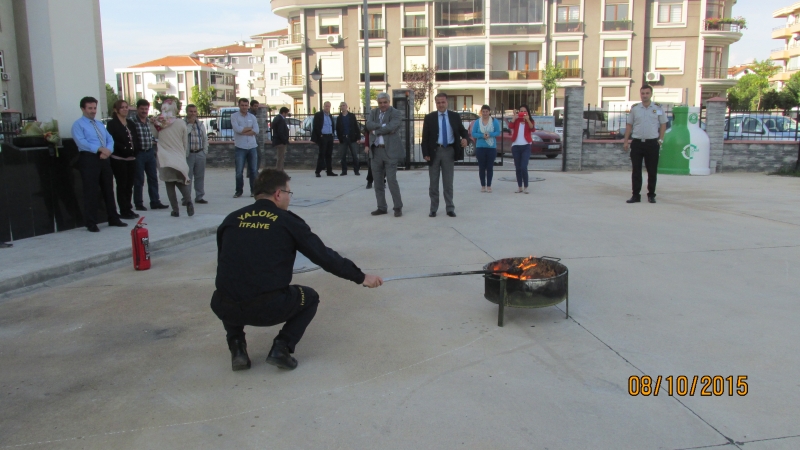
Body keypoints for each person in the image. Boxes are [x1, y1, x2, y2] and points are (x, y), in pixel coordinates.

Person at [210, 169, 383, 371]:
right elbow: (324, 256)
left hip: (225, 306)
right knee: (309, 297)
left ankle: (237, 347)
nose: (289, 198)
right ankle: (281, 347)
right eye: (288, 193)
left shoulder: (231, 219)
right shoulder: (287, 221)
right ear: (278, 194)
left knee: (230, 289)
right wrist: (361, 277)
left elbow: (225, 262)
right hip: (269, 307)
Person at [70, 96, 128, 232]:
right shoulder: (78, 125)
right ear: (82, 109)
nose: (93, 111)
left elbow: (109, 139)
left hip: (104, 158)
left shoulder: (99, 124)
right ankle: (91, 222)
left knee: (108, 188)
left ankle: (113, 217)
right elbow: (81, 142)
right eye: (89, 108)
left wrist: (108, 151)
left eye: (94, 108)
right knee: (91, 191)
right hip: (89, 158)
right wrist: (98, 149)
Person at [421, 93, 469, 217]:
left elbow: (463, 131)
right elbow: (425, 137)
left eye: (443, 102)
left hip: (449, 151)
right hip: (434, 152)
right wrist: (425, 153)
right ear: (435, 103)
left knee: (448, 182)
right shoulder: (430, 117)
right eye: (438, 102)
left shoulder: (454, 116)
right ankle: (433, 208)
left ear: (447, 102)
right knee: (433, 183)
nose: (441, 105)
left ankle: (450, 208)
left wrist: (465, 138)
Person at [623, 85, 667, 204]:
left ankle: (651, 195)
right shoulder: (635, 108)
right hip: (637, 143)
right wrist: (626, 140)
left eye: (647, 93)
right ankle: (635, 195)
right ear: (640, 94)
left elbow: (663, 124)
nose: (645, 95)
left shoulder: (657, 108)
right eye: (643, 93)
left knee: (652, 171)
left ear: (651, 94)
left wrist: (661, 139)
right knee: (636, 171)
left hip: (652, 143)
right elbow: (629, 125)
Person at [366, 92, 404, 217]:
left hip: (390, 152)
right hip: (376, 151)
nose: (383, 105)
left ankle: (397, 207)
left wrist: (375, 130)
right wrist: (382, 126)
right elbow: (368, 125)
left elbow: (392, 127)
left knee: (392, 180)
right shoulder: (373, 112)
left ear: (389, 102)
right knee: (377, 182)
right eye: (380, 103)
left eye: (385, 102)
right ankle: (381, 207)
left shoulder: (396, 113)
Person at [153, 99, 193, 217]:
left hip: (165, 157)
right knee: (182, 181)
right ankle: (188, 201)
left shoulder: (158, 123)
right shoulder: (180, 123)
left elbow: (155, 136)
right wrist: (183, 154)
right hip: (178, 156)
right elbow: (185, 141)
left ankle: (175, 210)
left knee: (169, 184)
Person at [132, 99, 169, 211]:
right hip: (139, 154)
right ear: (137, 109)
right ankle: (138, 203)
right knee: (139, 179)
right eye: (142, 109)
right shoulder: (132, 122)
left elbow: (154, 134)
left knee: (153, 178)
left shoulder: (149, 121)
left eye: (146, 109)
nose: (144, 111)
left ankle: (155, 201)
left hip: (149, 152)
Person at [105, 99, 140, 219]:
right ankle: (123, 210)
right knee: (122, 184)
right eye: (122, 107)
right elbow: (112, 140)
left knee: (130, 185)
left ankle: (129, 208)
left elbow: (135, 138)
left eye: (126, 107)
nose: (125, 109)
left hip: (131, 158)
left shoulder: (130, 123)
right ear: (116, 110)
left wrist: (135, 150)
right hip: (119, 158)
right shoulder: (112, 124)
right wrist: (124, 148)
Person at [231, 98, 259, 197]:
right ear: (239, 105)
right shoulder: (234, 116)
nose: (244, 107)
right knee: (239, 171)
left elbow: (256, 130)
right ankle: (239, 191)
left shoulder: (252, 117)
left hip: (252, 146)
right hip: (240, 147)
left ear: (248, 106)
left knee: (253, 171)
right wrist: (249, 129)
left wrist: (244, 131)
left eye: (246, 105)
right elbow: (237, 129)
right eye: (242, 105)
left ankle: (254, 191)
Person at [471, 105, 501, 193]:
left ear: (489, 112)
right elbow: (473, 133)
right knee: (482, 167)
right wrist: (481, 136)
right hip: (480, 147)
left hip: (491, 147)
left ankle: (489, 185)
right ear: (481, 112)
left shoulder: (494, 121)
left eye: (486, 112)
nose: (485, 113)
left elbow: (498, 132)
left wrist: (490, 134)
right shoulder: (477, 122)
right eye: (483, 112)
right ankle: (483, 185)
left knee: (490, 167)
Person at [185, 104, 209, 204]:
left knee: (200, 176)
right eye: (191, 111)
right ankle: (186, 198)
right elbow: (184, 135)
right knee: (187, 178)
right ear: (187, 112)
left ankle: (199, 197)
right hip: (188, 154)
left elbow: (204, 138)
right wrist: (190, 124)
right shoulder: (183, 124)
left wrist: (205, 151)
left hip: (200, 153)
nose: (193, 114)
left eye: (195, 111)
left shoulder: (200, 124)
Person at [508, 105, 535, 194]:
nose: (523, 113)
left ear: (527, 112)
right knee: (518, 167)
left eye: (525, 111)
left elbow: (532, 129)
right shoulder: (517, 121)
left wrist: (527, 119)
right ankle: (520, 187)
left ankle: (526, 186)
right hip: (516, 146)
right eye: (521, 111)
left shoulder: (530, 120)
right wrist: (514, 118)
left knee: (524, 166)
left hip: (526, 145)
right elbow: (510, 126)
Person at [311, 101, 337, 177]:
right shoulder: (318, 115)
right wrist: (320, 135)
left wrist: (332, 134)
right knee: (322, 154)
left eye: (328, 106)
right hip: (323, 137)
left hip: (330, 136)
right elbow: (316, 126)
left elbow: (332, 125)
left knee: (329, 155)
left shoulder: (330, 116)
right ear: (323, 106)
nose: (327, 108)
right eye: (326, 106)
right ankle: (318, 171)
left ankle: (329, 171)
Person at [336, 102, 361, 176]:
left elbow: (356, 127)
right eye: (341, 106)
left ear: (346, 106)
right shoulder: (339, 118)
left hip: (352, 138)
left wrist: (358, 137)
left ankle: (356, 171)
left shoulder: (351, 116)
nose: (343, 107)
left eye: (344, 105)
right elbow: (337, 129)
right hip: (343, 138)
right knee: (343, 156)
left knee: (354, 155)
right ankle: (344, 171)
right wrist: (340, 137)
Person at [270, 106, 290, 171]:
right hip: (280, 142)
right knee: (280, 158)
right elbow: (280, 131)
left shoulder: (277, 118)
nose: (286, 115)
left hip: (278, 140)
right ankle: (279, 172)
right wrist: (284, 140)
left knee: (281, 157)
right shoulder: (280, 119)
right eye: (286, 113)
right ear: (283, 112)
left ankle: (281, 172)